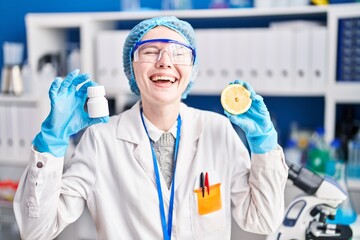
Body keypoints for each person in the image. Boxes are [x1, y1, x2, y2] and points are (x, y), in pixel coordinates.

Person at [14, 16, 288, 240]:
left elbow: (262, 221)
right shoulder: (101, 140)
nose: (165, 61)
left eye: (179, 52)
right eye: (150, 51)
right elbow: (36, 231)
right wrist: (50, 142)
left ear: (192, 69)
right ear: (132, 67)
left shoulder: (218, 130)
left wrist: (263, 146)